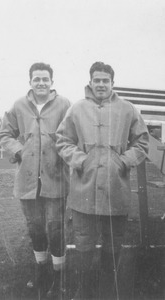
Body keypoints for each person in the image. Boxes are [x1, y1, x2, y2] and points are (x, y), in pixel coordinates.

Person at [56, 61, 149, 299]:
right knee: (84, 243)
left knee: (113, 244)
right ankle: (85, 291)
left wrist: (123, 161)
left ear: (112, 83)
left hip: (115, 188)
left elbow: (142, 142)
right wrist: (81, 160)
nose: (100, 84)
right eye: (96, 80)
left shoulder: (128, 109)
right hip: (84, 188)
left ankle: (108, 290)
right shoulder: (76, 109)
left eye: (105, 81)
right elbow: (62, 141)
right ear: (90, 82)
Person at [0, 62, 70, 299]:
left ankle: (59, 277)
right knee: (35, 227)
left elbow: (73, 135)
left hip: (55, 177)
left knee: (56, 228)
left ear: (52, 82)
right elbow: (4, 134)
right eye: (36, 79)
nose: (41, 83)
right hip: (28, 179)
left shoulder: (64, 105)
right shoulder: (19, 105)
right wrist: (18, 151)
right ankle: (41, 271)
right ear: (30, 81)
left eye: (45, 79)